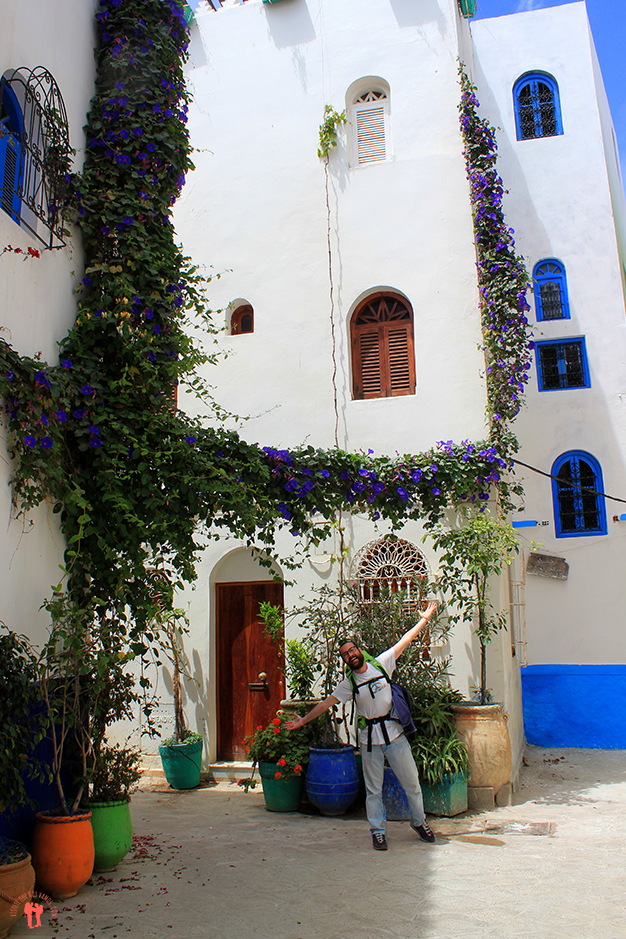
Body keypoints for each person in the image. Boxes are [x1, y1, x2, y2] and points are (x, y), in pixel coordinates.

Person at [284, 601, 438, 851]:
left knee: (412, 782)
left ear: (359, 650)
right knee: (373, 790)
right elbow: (326, 704)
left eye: (352, 650)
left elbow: (406, 640)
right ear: (344, 660)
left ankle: (419, 822)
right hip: (369, 741)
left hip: (395, 736)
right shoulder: (349, 684)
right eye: (345, 654)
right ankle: (378, 831)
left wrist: (424, 619)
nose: (350, 655)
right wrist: (303, 720)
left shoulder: (381, 663)